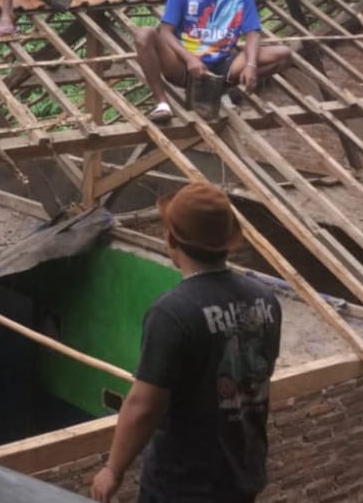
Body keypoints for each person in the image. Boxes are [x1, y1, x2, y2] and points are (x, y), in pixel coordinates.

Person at [90, 182, 282, 503]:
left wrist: (113, 469)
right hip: (241, 478)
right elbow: (261, 373)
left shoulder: (173, 312)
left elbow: (144, 406)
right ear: (228, 242)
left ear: (170, 239)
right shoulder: (266, 300)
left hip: (182, 487)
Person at [134, 0, 292, 121]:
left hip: (223, 65)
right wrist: (190, 59)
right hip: (183, 66)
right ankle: (162, 104)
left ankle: (221, 87)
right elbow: (166, 32)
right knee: (144, 35)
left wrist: (251, 65)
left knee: (283, 55)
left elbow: (252, 33)